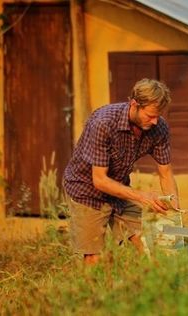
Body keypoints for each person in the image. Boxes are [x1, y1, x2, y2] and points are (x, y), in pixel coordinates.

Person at [63, 78, 179, 265]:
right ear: (135, 104)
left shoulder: (159, 127)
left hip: (118, 189)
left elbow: (165, 173)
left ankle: (155, 289)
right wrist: (142, 197)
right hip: (85, 190)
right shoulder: (104, 123)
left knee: (150, 242)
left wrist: (174, 212)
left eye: (158, 115)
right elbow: (99, 180)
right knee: (95, 257)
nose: (155, 121)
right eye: (150, 115)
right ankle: (92, 293)